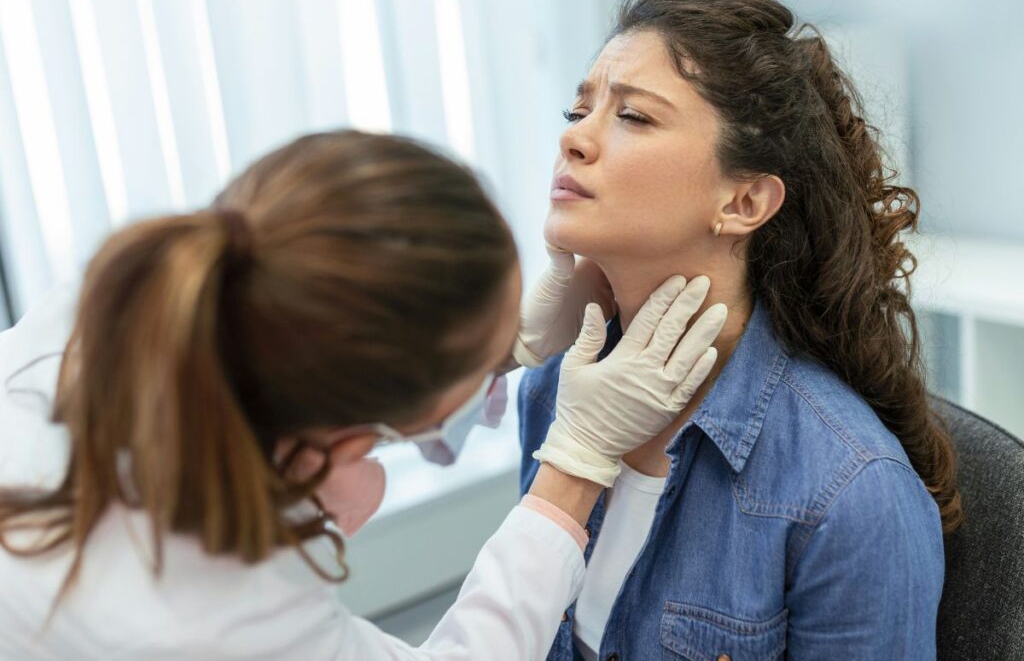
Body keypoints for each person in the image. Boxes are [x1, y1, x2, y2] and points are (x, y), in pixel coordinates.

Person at [0, 130, 728, 659]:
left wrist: (495, 353)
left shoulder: (119, 313)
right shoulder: (217, 622)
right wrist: (574, 465)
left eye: (635, 117)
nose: (576, 137)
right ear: (344, 442)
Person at [517, 0, 960, 660]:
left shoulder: (850, 493)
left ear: (746, 201)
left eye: (633, 117)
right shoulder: (552, 391)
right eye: (578, 110)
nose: (575, 138)